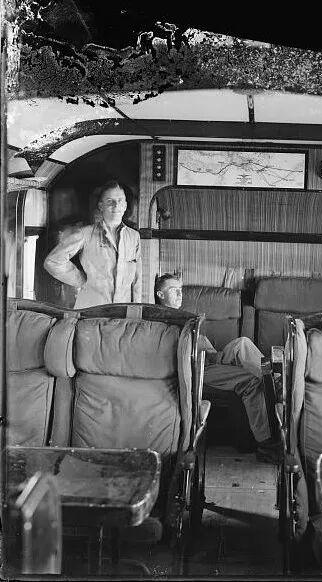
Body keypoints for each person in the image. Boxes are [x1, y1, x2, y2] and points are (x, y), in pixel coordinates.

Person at [154, 273, 279, 462]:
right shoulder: (160, 320)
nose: (180, 295)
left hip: (210, 358)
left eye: (180, 290)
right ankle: (267, 445)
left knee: (242, 343)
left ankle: (276, 382)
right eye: (174, 291)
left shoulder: (183, 317)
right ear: (160, 295)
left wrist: (209, 350)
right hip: (196, 368)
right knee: (251, 382)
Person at [44, 180, 142, 308]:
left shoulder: (134, 237)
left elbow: (137, 279)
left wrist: (137, 311)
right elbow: (53, 262)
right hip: (91, 310)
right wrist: (81, 280)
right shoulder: (84, 234)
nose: (116, 205)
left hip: (122, 312)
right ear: (101, 206)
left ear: (125, 205)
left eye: (120, 201)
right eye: (110, 201)